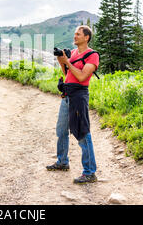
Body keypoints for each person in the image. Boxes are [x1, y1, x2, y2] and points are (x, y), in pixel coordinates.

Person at [46, 25, 100, 184]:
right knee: (61, 129)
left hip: (79, 96)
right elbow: (68, 75)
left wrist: (68, 62)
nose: (75, 36)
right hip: (67, 95)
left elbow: (82, 77)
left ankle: (90, 172)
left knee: (82, 132)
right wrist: (61, 61)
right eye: (75, 33)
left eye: (78, 34)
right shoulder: (74, 53)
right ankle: (62, 162)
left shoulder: (92, 55)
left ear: (86, 37)